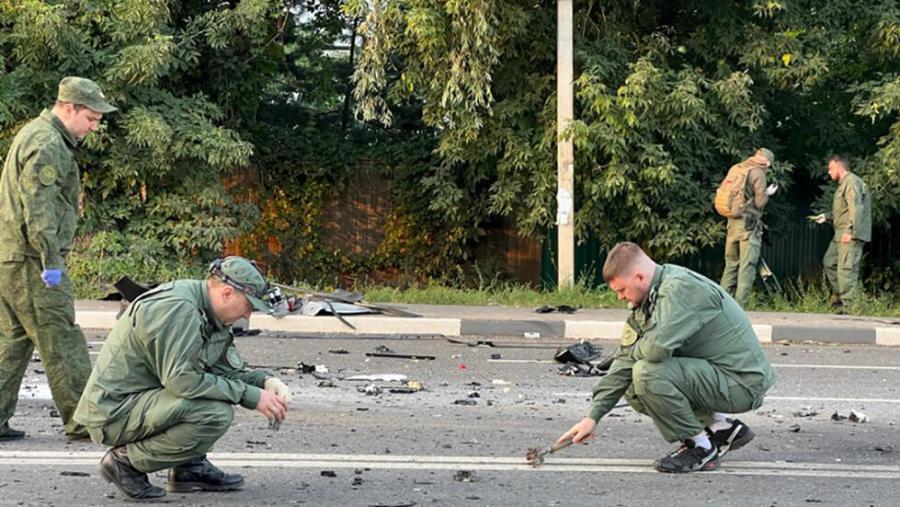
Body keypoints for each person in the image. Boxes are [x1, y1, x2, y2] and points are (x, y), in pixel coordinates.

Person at [74, 256, 292, 501]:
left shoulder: (210, 312)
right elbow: (183, 381)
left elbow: (221, 369)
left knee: (212, 395)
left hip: (143, 401)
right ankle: (125, 463)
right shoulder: (180, 309)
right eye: (249, 305)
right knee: (213, 413)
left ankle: (189, 467)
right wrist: (249, 396)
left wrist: (265, 382)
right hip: (113, 412)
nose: (247, 314)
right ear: (227, 293)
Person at [557, 242, 774, 473]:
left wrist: (632, 353)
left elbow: (654, 351)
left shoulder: (680, 289)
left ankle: (700, 448)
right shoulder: (649, 297)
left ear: (639, 277)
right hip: (717, 375)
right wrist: (592, 417)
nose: (620, 298)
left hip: (741, 382)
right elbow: (624, 361)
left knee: (647, 372)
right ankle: (720, 428)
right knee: (632, 381)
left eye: (621, 290)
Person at [0, 77, 117, 441]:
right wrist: (50, 259)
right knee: (61, 338)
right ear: (70, 108)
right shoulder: (48, 143)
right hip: (33, 260)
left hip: (12, 257)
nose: (94, 127)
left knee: (13, 340)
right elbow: (39, 207)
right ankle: (85, 420)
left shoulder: (37, 134)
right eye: (92, 118)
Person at [719, 148, 779, 305]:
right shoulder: (758, 173)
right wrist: (767, 193)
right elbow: (759, 203)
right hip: (748, 225)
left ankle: (724, 303)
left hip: (732, 222)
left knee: (731, 264)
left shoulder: (737, 168)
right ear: (766, 162)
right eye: (769, 165)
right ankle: (740, 305)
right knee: (747, 265)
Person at [812, 155, 872, 311]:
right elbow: (844, 210)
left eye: (831, 168)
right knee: (829, 262)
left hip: (849, 235)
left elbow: (856, 208)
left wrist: (851, 231)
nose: (828, 171)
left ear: (840, 167)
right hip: (839, 234)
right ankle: (840, 297)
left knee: (846, 271)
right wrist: (826, 216)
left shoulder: (851, 182)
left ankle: (849, 309)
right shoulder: (844, 184)